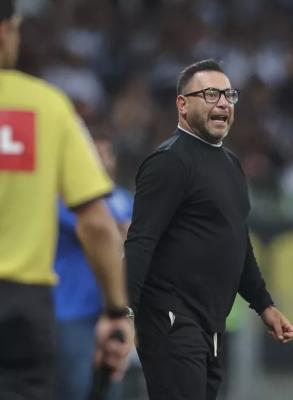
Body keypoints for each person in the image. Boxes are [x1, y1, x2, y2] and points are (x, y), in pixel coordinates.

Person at [125, 59, 293, 400]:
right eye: (210, 94)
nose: (223, 103)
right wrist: (122, 312)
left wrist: (264, 305)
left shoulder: (231, 163)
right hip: (171, 319)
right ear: (182, 104)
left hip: (210, 323)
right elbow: (141, 241)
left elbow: (236, 240)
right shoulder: (169, 161)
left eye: (228, 95)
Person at [0, 1, 133, 399]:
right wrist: (115, 311)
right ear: (4, 31)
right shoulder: (46, 106)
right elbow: (95, 221)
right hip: (22, 305)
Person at [53, 137, 134, 400]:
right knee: (75, 389)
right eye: (94, 154)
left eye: (106, 154)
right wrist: (120, 231)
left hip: (112, 310)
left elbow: (138, 238)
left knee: (109, 388)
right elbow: (97, 229)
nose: (101, 160)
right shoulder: (66, 199)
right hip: (71, 311)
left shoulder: (125, 199)